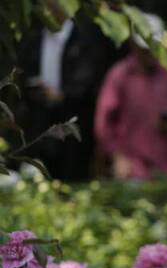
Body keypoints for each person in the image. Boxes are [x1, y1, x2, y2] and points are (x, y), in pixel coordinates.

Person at [94, 14, 167, 180]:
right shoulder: (120, 75)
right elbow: (103, 123)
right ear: (133, 44)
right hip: (133, 168)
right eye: (144, 48)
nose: (149, 53)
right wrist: (117, 157)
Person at [20, 9, 116, 180]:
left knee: (72, 180)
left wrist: (61, 96)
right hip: (39, 125)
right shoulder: (35, 38)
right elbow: (24, 73)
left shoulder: (84, 39)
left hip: (73, 127)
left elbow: (89, 82)